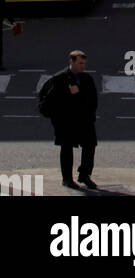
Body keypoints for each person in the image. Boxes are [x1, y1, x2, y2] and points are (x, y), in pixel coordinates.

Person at [40, 49, 99, 190]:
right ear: (71, 62)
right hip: (66, 122)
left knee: (90, 145)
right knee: (66, 149)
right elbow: (50, 101)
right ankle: (67, 178)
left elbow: (93, 98)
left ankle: (84, 174)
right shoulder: (60, 78)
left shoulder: (87, 78)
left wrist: (80, 96)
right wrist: (69, 95)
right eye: (80, 63)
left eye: (84, 63)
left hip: (84, 120)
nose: (83, 66)